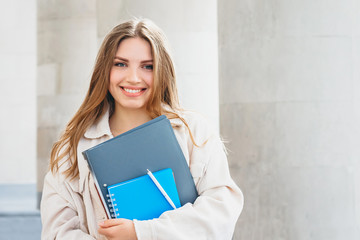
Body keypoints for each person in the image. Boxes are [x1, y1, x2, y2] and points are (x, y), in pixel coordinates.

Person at [40, 18, 243, 240]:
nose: (133, 78)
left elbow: (220, 213)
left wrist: (141, 233)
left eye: (148, 66)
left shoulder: (194, 133)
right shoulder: (72, 147)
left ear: (162, 72)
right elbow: (56, 233)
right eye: (120, 64)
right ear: (104, 70)